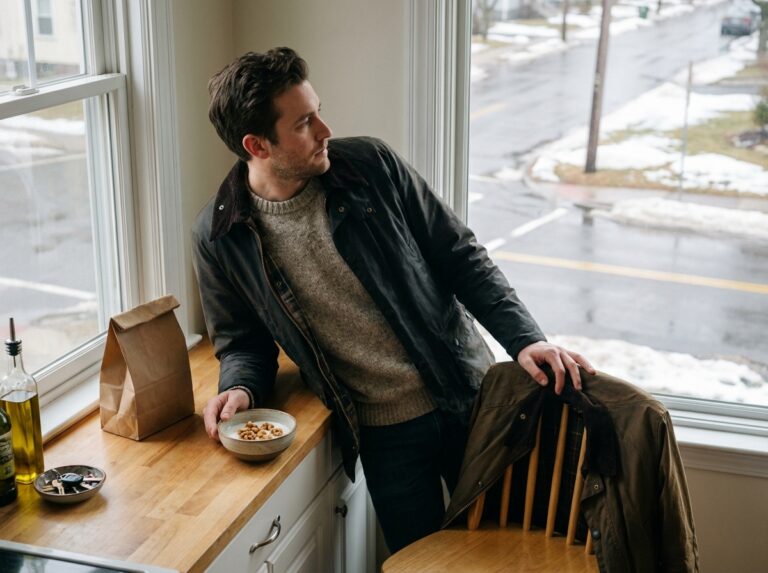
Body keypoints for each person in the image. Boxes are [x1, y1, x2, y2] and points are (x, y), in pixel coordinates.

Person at [192, 47, 594, 554]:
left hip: (465, 397)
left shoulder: (371, 167)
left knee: (515, 550)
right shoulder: (219, 235)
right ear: (257, 145)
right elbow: (243, 341)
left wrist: (524, 339)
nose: (325, 129)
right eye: (303, 123)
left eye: (318, 111)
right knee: (421, 563)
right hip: (383, 439)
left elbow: (460, 257)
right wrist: (241, 388)